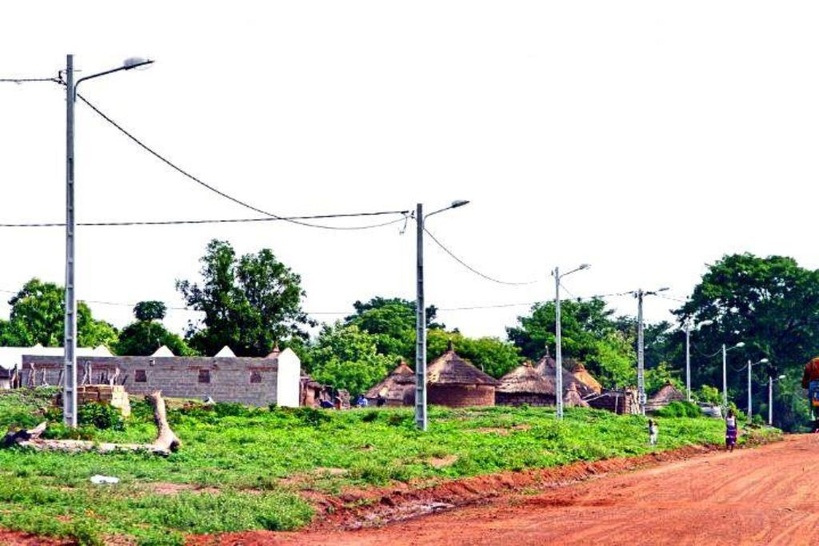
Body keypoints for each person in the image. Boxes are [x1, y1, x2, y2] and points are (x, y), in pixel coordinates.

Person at [802, 357, 819, 431]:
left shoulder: (812, 362)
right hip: (814, 384)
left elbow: (806, 376)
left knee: (814, 403)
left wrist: (805, 386)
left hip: (814, 384)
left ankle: (815, 420)